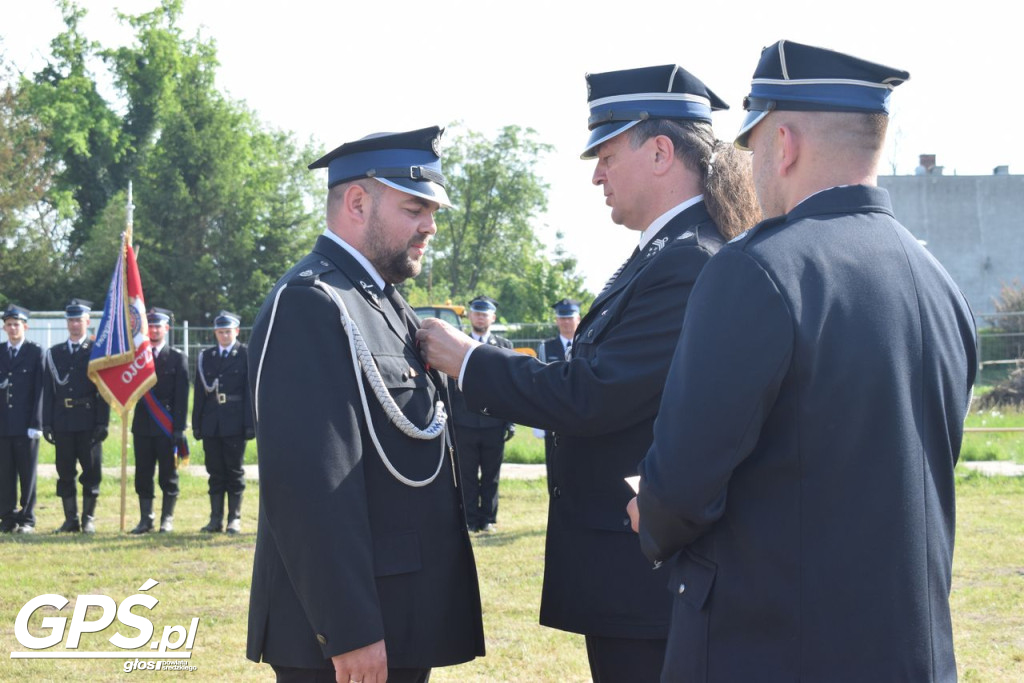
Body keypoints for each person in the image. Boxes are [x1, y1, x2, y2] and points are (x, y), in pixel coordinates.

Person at [627, 40, 977, 681]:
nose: (753, 167)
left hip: (772, 649)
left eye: (753, 146)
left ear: (782, 142)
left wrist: (651, 510)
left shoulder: (758, 270)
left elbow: (681, 485)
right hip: (909, 654)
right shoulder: (940, 284)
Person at [417, 65, 760, 682]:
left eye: (605, 153)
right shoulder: (667, 252)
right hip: (635, 571)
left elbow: (592, 393)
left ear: (660, 152)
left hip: (649, 577)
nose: (597, 173)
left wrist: (467, 359)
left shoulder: (688, 260)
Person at [246, 126, 484, 683]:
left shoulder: (379, 300)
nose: (430, 224)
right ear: (357, 201)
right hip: (346, 633)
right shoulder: (312, 302)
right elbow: (310, 486)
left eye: (432, 210)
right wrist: (348, 629)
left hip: (396, 608)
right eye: (414, 207)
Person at [42, 299, 110, 534]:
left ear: (87, 322)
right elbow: (49, 390)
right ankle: (70, 519)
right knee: (65, 471)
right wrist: (47, 422)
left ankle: (88, 518)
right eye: (70, 320)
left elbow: (104, 391)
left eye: (78, 320)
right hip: (62, 420)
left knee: (91, 470)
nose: (74, 325)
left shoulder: (95, 352)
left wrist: (103, 421)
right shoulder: (55, 353)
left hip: (88, 419)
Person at [449, 295, 514, 533]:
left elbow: (509, 386)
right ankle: (469, 519)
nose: (480, 317)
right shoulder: (458, 342)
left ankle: (488, 519)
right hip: (463, 420)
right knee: (465, 475)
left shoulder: (504, 346)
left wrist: (510, 421)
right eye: (476, 313)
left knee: (491, 475)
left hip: (494, 423)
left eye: (485, 314)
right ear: (470, 315)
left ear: (492, 318)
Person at [192, 310, 254, 534]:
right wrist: (196, 422)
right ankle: (215, 519)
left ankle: (234, 518)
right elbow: (200, 392)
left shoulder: (245, 355)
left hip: (235, 422)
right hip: (211, 422)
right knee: (215, 472)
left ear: (236, 331)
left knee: (234, 471)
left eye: (228, 331)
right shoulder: (206, 357)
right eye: (220, 332)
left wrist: (250, 423)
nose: (224, 335)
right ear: (215, 333)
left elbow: (249, 391)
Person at [130, 308, 189, 534]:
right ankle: (146, 519)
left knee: (168, 474)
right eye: (150, 326)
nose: (154, 330)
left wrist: (179, 428)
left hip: (167, 425)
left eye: (158, 326)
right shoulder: (136, 358)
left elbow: (182, 398)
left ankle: (167, 519)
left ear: (166, 329)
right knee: (143, 474)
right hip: (143, 425)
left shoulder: (177, 358)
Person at [0, 305, 43, 534]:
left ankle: (27, 518)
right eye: (9, 324)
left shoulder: (35, 352)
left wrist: (36, 423)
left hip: (26, 426)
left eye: (17, 324)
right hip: (3, 425)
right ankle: (7, 517)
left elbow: (40, 390)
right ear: (4, 327)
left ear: (25, 326)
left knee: (27, 473)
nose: (13, 328)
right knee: (5, 474)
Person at [534, 298, 582, 468]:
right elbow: (539, 384)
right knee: (555, 468)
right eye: (562, 318)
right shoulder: (545, 348)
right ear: (556, 320)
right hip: (553, 416)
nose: (566, 322)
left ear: (579, 319)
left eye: (570, 317)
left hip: (581, 416)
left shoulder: (586, 346)